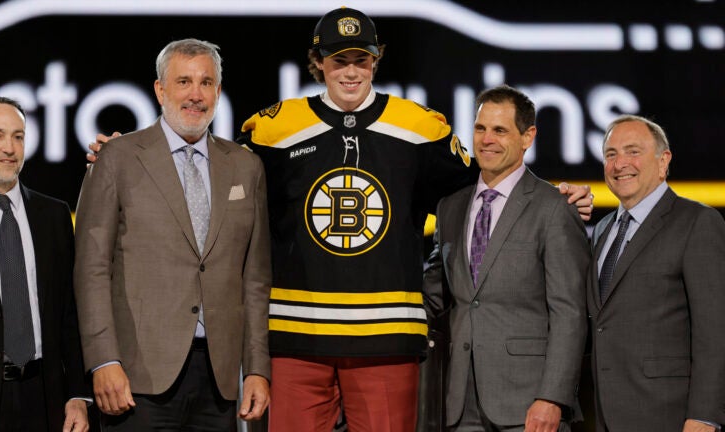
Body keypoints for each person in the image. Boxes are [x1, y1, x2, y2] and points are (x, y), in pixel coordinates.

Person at [86, 9, 593, 432]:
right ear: (318, 63)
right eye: (338, 59)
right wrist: (128, 152)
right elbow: (203, 173)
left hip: (387, 338)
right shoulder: (272, 129)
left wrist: (549, 195)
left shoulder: (421, 127)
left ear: (375, 61)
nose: (350, 71)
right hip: (293, 339)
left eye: (361, 59)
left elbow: (488, 179)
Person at [73, 38, 271, 430]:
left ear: (218, 91)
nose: (195, 95)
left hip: (219, 379)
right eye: (183, 82)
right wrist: (103, 360)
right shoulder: (118, 158)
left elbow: (255, 280)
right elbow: (92, 268)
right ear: (160, 90)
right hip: (136, 377)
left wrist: (257, 368)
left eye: (206, 83)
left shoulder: (247, 168)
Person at [423, 85, 589, 432]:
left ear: (528, 137)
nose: (487, 139)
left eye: (500, 130)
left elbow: (569, 313)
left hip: (528, 405)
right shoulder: (450, 207)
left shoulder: (554, 208)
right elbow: (434, 294)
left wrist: (553, 397)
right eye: (480, 128)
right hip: (459, 401)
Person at [0, 97, 89, 431]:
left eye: (18, 136)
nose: (9, 148)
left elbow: (70, 315)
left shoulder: (55, 216)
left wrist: (78, 394)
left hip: (44, 400)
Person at [588, 115, 725, 432]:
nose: (620, 163)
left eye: (633, 151)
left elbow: (716, 331)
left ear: (663, 162)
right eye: (611, 154)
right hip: (607, 414)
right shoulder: (603, 230)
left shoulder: (697, 223)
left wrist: (705, 416)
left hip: (671, 416)